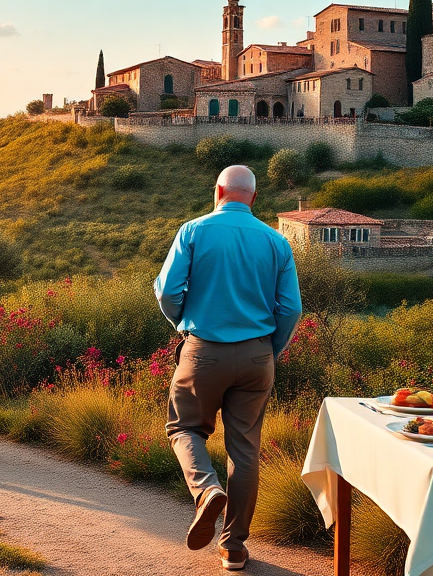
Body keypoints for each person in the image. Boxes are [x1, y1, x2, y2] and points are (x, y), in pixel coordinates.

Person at [154, 165, 302, 572]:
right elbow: (291, 308)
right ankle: (233, 547)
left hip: (203, 352)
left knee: (184, 428)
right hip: (257, 357)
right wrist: (270, 349)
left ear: (217, 191)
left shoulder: (193, 231)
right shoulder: (277, 241)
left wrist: (183, 324)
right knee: (245, 450)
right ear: (254, 198)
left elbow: (168, 291)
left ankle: (206, 491)